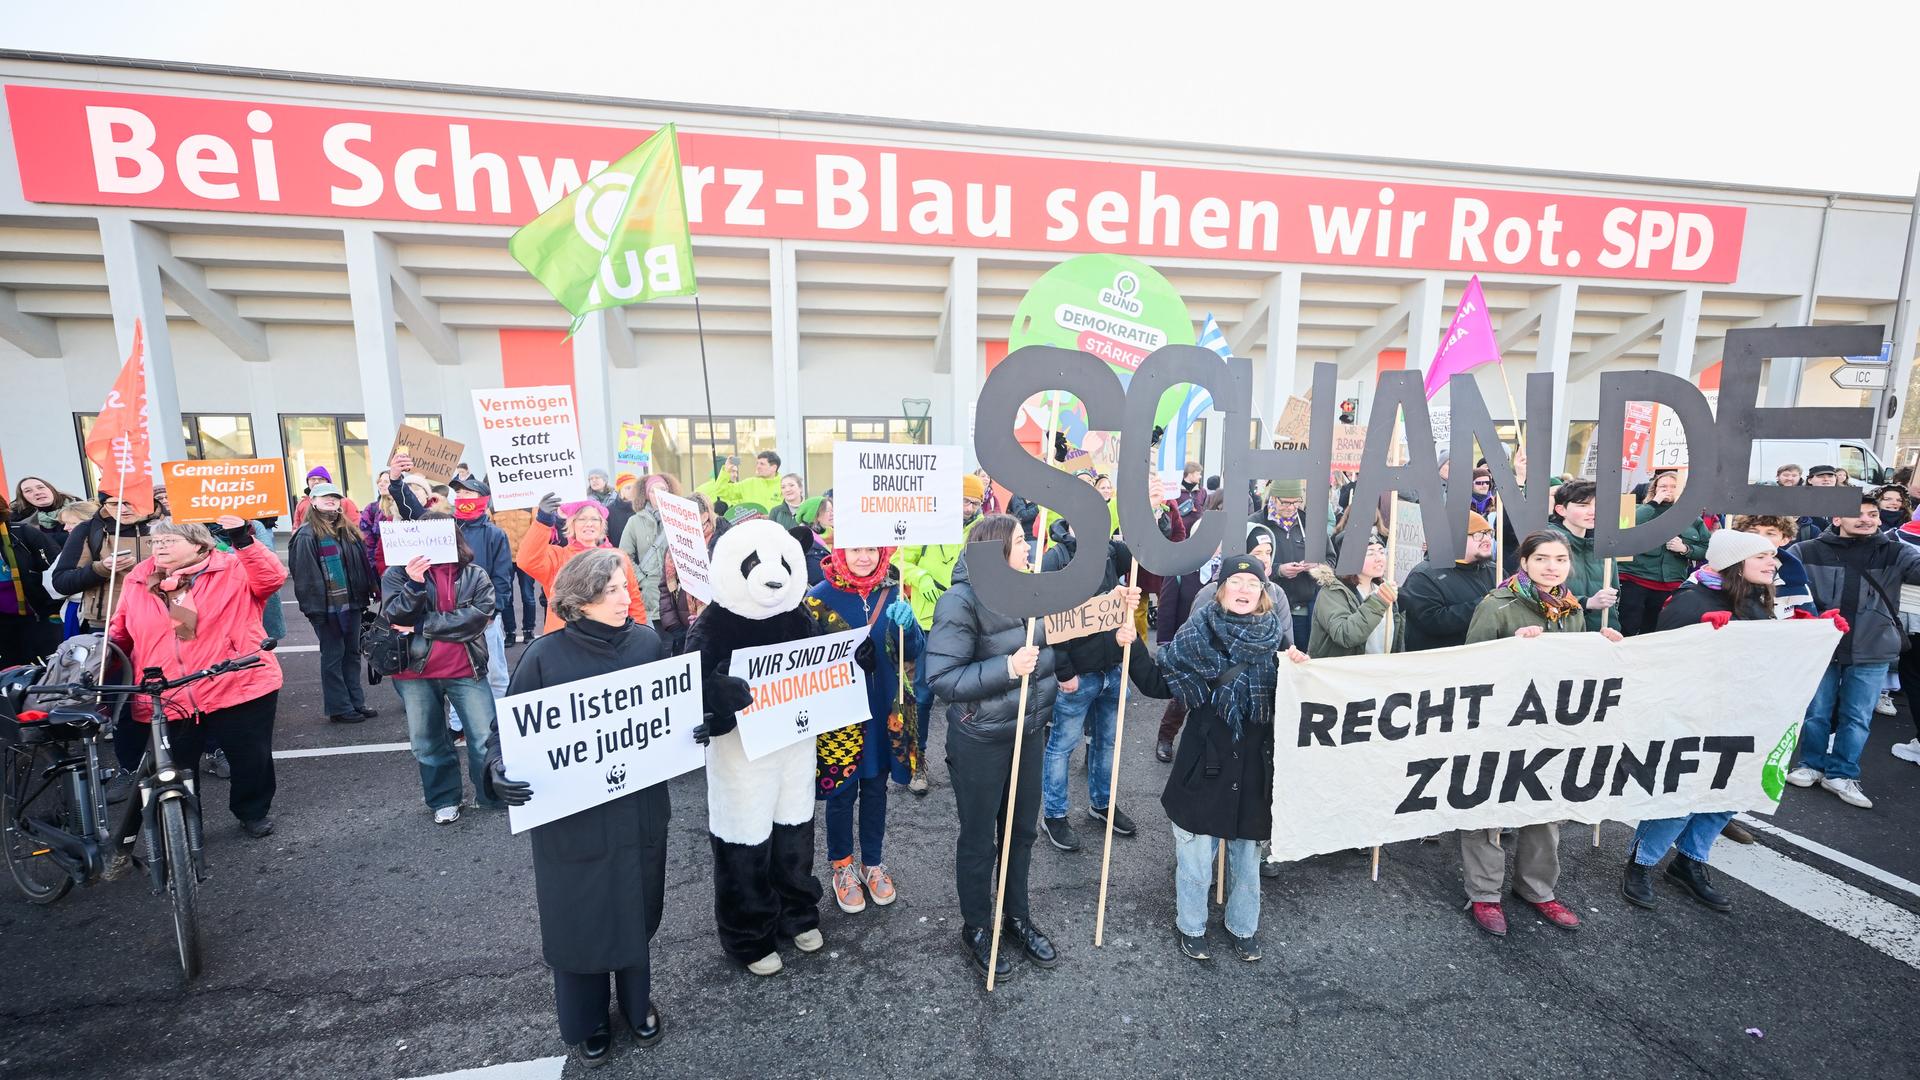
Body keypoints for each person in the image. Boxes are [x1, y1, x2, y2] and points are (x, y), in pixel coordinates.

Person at [484, 550, 686, 1065]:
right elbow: (506, 734)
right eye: (613, 590)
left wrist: (694, 726)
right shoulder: (544, 656)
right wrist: (496, 770)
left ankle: (637, 1005)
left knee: (635, 910)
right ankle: (588, 1020)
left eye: (625, 587)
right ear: (580, 599)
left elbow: (668, 709)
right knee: (582, 919)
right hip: (573, 821)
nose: (626, 597)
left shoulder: (645, 642)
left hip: (638, 809)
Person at [1117, 553, 1308, 961]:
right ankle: (1191, 925)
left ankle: (1243, 927)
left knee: (1247, 859)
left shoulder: (1276, 638)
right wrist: (1131, 645)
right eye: (1235, 584)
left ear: (1264, 593)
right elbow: (1155, 683)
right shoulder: (1197, 632)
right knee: (1195, 860)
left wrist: (1300, 672)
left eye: (1252, 585)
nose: (1243, 591)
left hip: (1255, 766)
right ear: (1220, 591)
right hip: (1203, 763)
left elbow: (1292, 704)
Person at [1457, 531, 1624, 936]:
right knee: (1486, 808)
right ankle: (1484, 894)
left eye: (1561, 559)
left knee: (1545, 805)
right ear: (1525, 562)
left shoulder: (1570, 611)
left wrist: (1602, 647)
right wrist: (1512, 648)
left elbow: (1575, 671)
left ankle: (1536, 889)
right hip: (1499, 723)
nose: (1552, 566)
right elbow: (1471, 667)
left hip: (1549, 726)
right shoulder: (1498, 605)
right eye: (1543, 559)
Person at [1624, 530, 1794, 912]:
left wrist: (1810, 636)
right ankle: (1641, 863)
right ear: (1735, 563)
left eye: (1773, 555)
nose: (1773, 563)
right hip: (1694, 719)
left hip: (1744, 716)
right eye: (1762, 556)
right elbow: (1664, 665)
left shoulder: (1753, 598)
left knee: (1727, 793)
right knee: (1682, 797)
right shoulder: (1692, 601)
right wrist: (1705, 636)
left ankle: (1689, 861)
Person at [924, 513, 1062, 982]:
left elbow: (1056, 645)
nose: (1029, 547)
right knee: (980, 837)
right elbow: (942, 678)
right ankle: (978, 927)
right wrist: (1007, 668)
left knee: (1022, 832)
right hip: (981, 739)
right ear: (996, 549)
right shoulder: (959, 601)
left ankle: (1015, 917)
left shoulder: (1034, 592)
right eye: (1021, 541)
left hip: (1030, 730)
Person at [107, 517, 286, 840]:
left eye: (169, 541)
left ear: (199, 544)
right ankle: (186, 825)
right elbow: (121, 628)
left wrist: (242, 540)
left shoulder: (231, 567)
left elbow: (272, 578)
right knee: (176, 767)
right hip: (167, 689)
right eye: (156, 542)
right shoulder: (139, 577)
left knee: (250, 758)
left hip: (236, 681)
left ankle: (252, 811)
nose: (159, 547)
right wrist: (103, 662)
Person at [806, 544, 923, 914]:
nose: (864, 557)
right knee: (841, 793)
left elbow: (914, 650)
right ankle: (841, 866)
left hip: (884, 710)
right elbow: (804, 662)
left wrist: (910, 627)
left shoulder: (892, 590)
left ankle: (872, 862)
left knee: (876, 788)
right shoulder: (817, 598)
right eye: (855, 548)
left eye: (872, 549)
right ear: (841, 549)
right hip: (840, 717)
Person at [1785, 492, 1920, 808]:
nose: (1867, 519)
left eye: (1872, 514)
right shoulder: (1805, 551)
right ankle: (1810, 765)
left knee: (1857, 716)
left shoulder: (1896, 552)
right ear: (1836, 518)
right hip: (1821, 644)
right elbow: (1778, 579)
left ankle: (1842, 774)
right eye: (1858, 513)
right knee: (1817, 712)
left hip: (1873, 647)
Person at [379, 513, 500, 824]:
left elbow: (477, 619)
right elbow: (394, 616)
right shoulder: (397, 574)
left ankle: (489, 794)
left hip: (465, 667)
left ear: (452, 538)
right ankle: (444, 799)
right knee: (427, 740)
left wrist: (421, 625)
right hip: (414, 673)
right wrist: (414, 584)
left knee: (483, 737)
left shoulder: (475, 574)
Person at [1037, 520, 1142, 853]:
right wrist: (1064, 670)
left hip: (1112, 668)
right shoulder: (1057, 558)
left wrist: (1152, 510)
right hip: (1078, 675)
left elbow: (1148, 553)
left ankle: (1102, 804)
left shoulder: (1112, 551)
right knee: (1061, 747)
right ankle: (1053, 815)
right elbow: (1050, 616)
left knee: (1106, 744)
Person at [894, 475, 985, 794]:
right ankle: (918, 763)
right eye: (963, 500)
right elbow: (899, 559)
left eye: (974, 502)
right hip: (927, 622)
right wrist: (922, 580)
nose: (968, 507)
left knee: (968, 695)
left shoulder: (984, 528)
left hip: (968, 623)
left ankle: (962, 760)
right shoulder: (928, 522)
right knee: (921, 694)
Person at [288, 482, 377, 724]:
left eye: (335, 497)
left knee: (353, 653)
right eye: (324, 497)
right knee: (333, 656)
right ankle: (339, 707)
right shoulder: (306, 535)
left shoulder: (347, 531)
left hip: (353, 604)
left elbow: (360, 567)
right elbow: (305, 578)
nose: (331, 500)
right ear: (313, 502)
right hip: (326, 609)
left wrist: (368, 592)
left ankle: (355, 702)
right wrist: (314, 611)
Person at [516, 496, 647, 636]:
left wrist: (638, 634)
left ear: (602, 524)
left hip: (611, 636)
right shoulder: (558, 557)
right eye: (582, 519)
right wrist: (543, 520)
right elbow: (526, 560)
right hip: (567, 640)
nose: (589, 523)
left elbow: (633, 599)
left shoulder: (618, 557)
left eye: (594, 519)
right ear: (572, 524)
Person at [1616, 471, 1710, 636]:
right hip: (1635, 578)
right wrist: (1653, 503)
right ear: (1654, 489)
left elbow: (1707, 548)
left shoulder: (1693, 519)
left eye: (1674, 487)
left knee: (1655, 630)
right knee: (1627, 626)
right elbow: (1625, 527)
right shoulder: (1638, 508)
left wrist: (1686, 549)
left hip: (1670, 582)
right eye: (1663, 486)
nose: (1668, 490)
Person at [51, 491, 158, 632]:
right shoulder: (88, 529)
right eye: (114, 504)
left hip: (163, 621)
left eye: (130, 502)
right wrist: (101, 569)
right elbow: (62, 582)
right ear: (104, 504)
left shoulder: (169, 525)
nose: (123, 509)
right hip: (107, 624)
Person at [1397, 512, 1497, 651]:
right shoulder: (1424, 576)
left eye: (1488, 533)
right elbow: (1431, 621)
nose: (1486, 539)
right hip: (1441, 665)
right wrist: (1484, 605)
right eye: (1478, 534)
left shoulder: (1495, 571)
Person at [451, 490, 514, 698]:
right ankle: (457, 724)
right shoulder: (448, 529)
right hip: (453, 613)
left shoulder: (495, 534)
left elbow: (502, 576)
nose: (462, 497)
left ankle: (502, 717)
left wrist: (493, 611)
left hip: (485, 615)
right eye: (459, 492)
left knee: (495, 669)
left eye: (468, 492)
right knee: (457, 672)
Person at [1307, 539, 1400, 658]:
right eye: (1370, 553)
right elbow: (1345, 635)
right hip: (1346, 672)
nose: (1379, 558)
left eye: (1381, 552)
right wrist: (1378, 601)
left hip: (1381, 670)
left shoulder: (1383, 588)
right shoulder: (1333, 592)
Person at [1546, 479, 1619, 632]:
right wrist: (1586, 603)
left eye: (1596, 505)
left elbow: (1615, 591)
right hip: (1563, 633)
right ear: (1561, 510)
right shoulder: (1547, 544)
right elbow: (1538, 592)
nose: (1592, 511)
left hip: (1604, 632)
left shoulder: (1604, 543)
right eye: (1583, 505)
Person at [0, 493, 64, 668]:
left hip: (38, 615)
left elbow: (56, 570)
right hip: (3, 623)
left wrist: (53, 611)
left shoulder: (23, 532)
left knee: (45, 670)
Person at [619, 474, 679, 630]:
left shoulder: (679, 518)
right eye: (653, 491)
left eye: (663, 489)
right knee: (662, 641)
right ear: (646, 495)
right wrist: (641, 579)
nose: (659, 494)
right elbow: (624, 555)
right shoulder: (635, 521)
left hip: (680, 588)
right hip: (652, 591)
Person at [490, 502, 543, 646]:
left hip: (526, 557)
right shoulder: (494, 507)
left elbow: (537, 530)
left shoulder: (530, 506)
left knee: (528, 595)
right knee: (506, 597)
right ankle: (510, 632)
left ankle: (528, 630)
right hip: (503, 558)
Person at [697, 450, 782, 514]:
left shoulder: (785, 485)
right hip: (752, 532)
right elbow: (722, 491)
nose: (758, 466)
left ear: (774, 467)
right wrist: (726, 471)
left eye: (762, 464)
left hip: (776, 532)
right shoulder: (748, 483)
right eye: (757, 463)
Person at [10, 477, 81, 545]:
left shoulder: (79, 507)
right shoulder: (17, 521)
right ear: (23, 498)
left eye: (40, 487)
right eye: (28, 491)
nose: (37, 492)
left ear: (51, 489)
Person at [291, 465, 359, 525]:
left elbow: (356, 524)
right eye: (313, 479)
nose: (316, 481)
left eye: (321, 479)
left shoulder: (345, 502)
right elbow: (296, 527)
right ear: (308, 482)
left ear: (328, 482)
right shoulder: (302, 504)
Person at [1798, 465, 1840, 541]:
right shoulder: (1798, 500)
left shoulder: (1844, 500)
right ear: (1810, 480)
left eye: (1830, 476)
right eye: (1820, 476)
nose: (1826, 479)